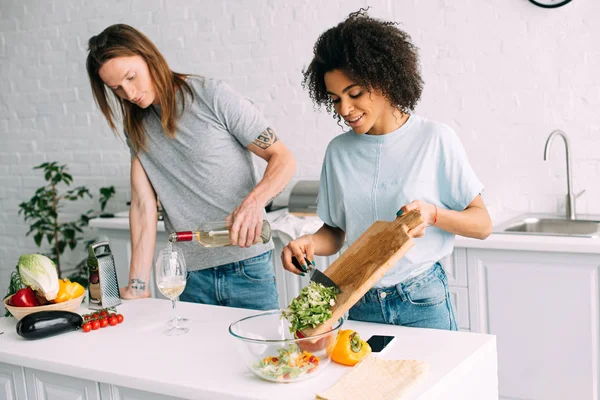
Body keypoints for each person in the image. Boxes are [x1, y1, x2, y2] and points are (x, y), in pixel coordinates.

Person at [281, 10, 492, 330]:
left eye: (354, 94)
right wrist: (308, 242)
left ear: (384, 80)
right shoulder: (338, 152)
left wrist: (432, 214)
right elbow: (336, 233)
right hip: (357, 298)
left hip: (420, 298)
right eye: (335, 99)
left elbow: (482, 225)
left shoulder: (434, 139)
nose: (345, 110)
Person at [86, 24, 296, 311]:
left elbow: (283, 158)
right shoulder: (135, 127)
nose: (129, 92)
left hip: (248, 267)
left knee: (261, 355)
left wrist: (252, 204)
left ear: (148, 57)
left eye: (131, 77)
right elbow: (143, 206)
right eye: (117, 89)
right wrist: (137, 285)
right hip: (189, 277)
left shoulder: (212, 95)